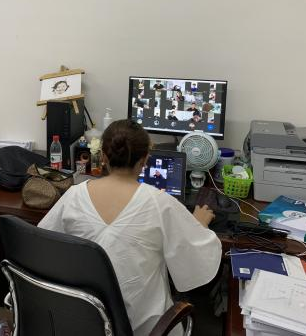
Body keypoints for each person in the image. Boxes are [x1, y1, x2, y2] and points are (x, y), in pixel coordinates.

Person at [38, 120, 221, 336]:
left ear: (103, 156)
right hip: (142, 327)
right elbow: (197, 260)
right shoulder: (160, 203)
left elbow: (41, 246)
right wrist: (198, 223)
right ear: (145, 160)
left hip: (83, 321)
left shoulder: (74, 195)